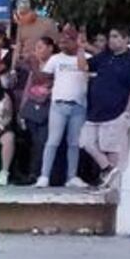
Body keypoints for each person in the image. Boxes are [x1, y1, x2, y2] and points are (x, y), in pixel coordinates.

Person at [80, 25, 130, 189]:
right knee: (86, 142)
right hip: (95, 111)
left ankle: (112, 184)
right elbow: (83, 66)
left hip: (117, 111)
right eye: (111, 36)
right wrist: (80, 48)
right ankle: (108, 169)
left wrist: (128, 113)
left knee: (111, 147)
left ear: (126, 39)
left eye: (116, 36)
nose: (112, 40)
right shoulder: (104, 57)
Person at [36, 31, 91, 188]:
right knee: (53, 141)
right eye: (61, 42)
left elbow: (87, 71)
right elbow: (44, 76)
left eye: (67, 41)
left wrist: (82, 49)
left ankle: (71, 176)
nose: (63, 44)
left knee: (74, 143)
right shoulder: (55, 59)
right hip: (58, 105)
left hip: (79, 105)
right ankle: (44, 175)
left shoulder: (86, 57)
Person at [20, 37, 58, 183]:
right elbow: (27, 88)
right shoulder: (35, 67)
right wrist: (22, 109)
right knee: (34, 141)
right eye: (36, 48)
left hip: (49, 107)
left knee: (43, 140)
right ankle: (33, 172)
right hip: (32, 108)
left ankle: (42, 173)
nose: (37, 51)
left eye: (41, 47)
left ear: (50, 48)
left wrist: (47, 92)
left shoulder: (55, 64)